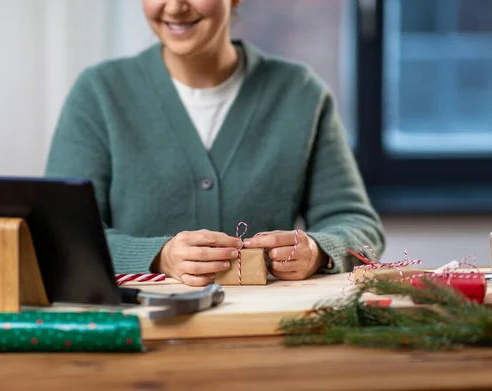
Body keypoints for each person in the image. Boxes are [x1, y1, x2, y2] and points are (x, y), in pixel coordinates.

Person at [45, 0, 385, 286]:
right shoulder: (99, 92)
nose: (175, 7)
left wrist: (318, 249)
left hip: (266, 332)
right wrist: (159, 257)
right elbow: (61, 234)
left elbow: (359, 226)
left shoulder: (301, 93)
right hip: (143, 334)